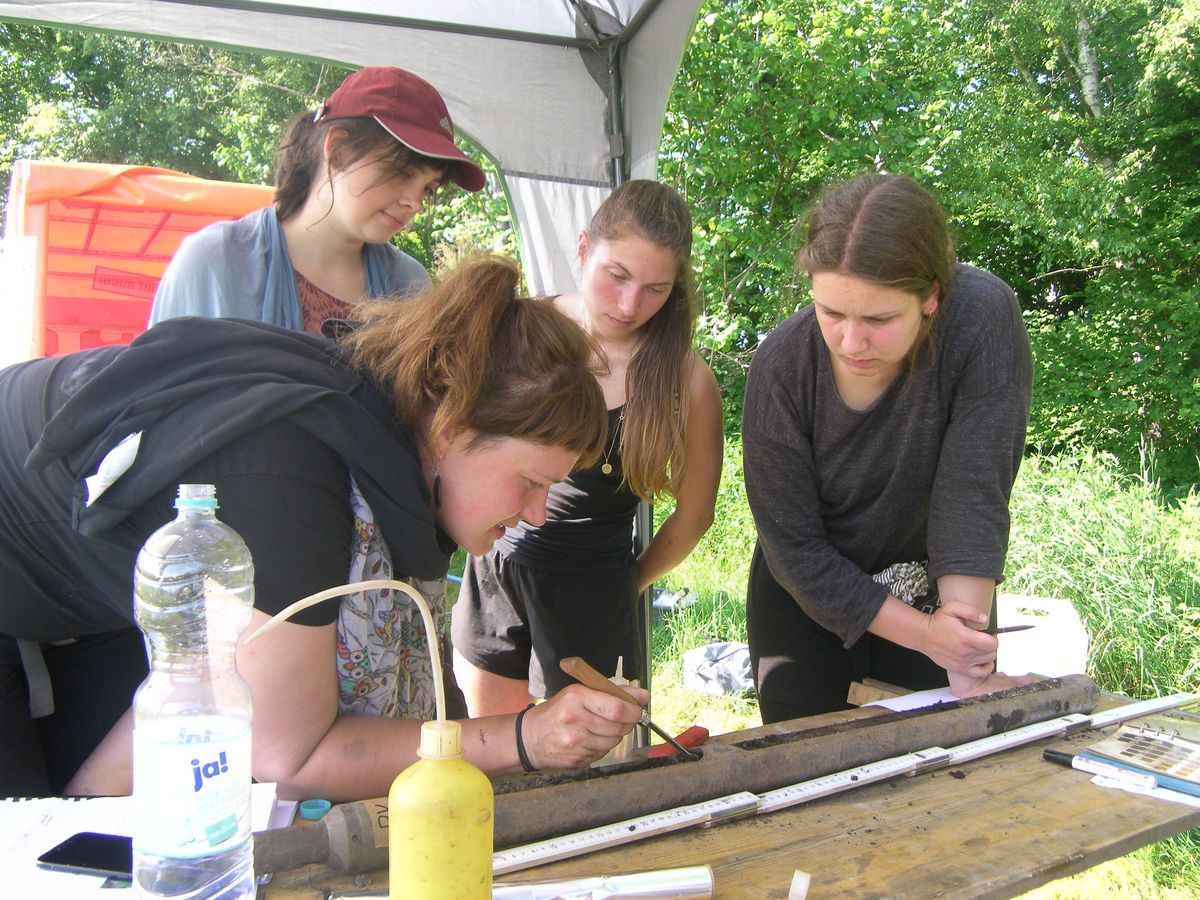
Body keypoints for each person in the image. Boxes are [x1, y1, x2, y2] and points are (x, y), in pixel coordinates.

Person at [0, 255, 648, 801]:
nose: (536, 514)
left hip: (93, 604)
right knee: (31, 840)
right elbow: (291, 755)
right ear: (451, 432)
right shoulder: (292, 469)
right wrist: (524, 740)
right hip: (22, 569)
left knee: (115, 823)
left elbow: (205, 683)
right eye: (531, 483)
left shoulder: (389, 456)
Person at [742, 172, 1037, 724]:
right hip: (806, 589)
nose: (852, 342)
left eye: (879, 319)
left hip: (934, 579)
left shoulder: (982, 319)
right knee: (808, 770)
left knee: (933, 766)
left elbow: (972, 495)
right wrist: (923, 634)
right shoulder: (781, 366)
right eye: (831, 313)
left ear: (932, 295)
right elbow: (794, 549)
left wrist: (962, 653)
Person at [452, 180, 724, 714]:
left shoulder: (688, 381)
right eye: (616, 275)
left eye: (655, 288)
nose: (629, 304)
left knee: (585, 771)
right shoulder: (522, 331)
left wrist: (627, 583)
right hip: (495, 571)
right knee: (492, 748)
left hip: (594, 590)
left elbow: (695, 517)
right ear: (582, 249)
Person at [147, 65, 485, 334]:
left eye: (429, 187)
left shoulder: (410, 287)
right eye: (402, 171)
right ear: (337, 150)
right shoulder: (216, 262)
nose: (416, 203)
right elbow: (156, 404)